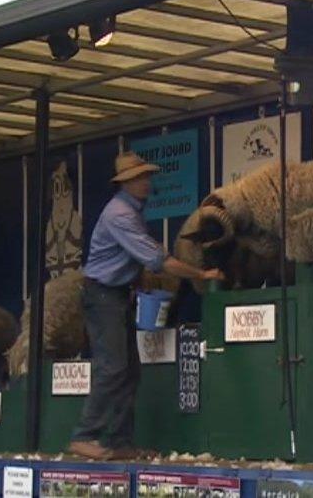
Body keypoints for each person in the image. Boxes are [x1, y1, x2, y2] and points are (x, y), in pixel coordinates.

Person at [68, 152, 223, 461]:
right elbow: (158, 261)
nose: (147, 182)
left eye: (147, 176)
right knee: (112, 367)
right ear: (126, 183)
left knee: (128, 371)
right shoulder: (121, 215)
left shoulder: (132, 210)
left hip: (116, 294)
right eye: (141, 177)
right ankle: (84, 436)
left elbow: (131, 259)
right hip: (102, 296)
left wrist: (137, 281)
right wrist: (202, 273)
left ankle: (119, 442)